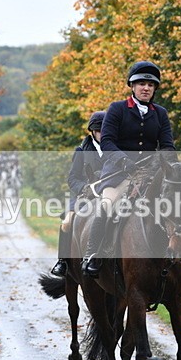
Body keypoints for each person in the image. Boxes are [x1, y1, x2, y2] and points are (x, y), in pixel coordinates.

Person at [81, 60, 181, 278]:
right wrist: (124, 161)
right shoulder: (117, 109)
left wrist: (171, 167)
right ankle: (93, 255)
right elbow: (107, 141)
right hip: (119, 173)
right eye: (141, 83)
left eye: (150, 85)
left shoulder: (160, 113)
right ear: (132, 86)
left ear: (154, 89)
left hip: (152, 173)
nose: (146, 88)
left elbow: (166, 146)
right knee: (107, 206)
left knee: (177, 205)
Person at [50, 111, 106, 277]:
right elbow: (72, 179)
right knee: (67, 221)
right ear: (93, 132)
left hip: (108, 192)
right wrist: (85, 188)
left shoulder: (115, 150)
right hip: (84, 195)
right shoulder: (81, 151)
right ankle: (63, 262)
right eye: (99, 131)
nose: (103, 134)